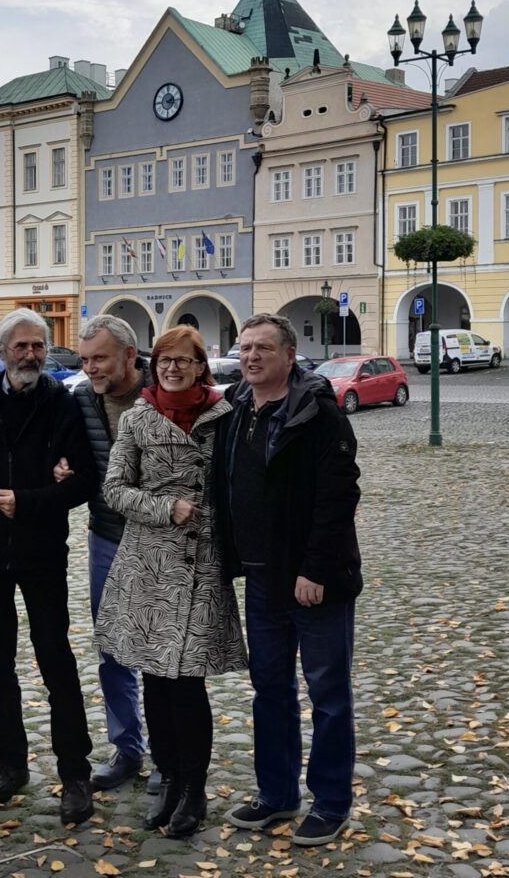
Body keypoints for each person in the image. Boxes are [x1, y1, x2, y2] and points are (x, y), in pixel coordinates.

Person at [214, 313, 362, 847]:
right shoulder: (233, 407)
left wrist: (315, 569)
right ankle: (277, 795)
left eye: (263, 349)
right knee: (269, 691)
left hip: (314, 581)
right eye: (245, 347)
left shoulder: (316, 412)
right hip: (261, 577)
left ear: (288, 356)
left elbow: (338, 495)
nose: (251, 356)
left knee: (327, 694)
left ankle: (331, 802)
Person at [0, 308, 98, 825]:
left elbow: (83, 483)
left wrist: (31, 501)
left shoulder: (63, 404)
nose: (31, 355)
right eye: (21, 347)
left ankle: (75, 772)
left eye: (39, 346)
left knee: (55, 657)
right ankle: (10, 763)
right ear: (1, 352)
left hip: (41, 551)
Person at [95, 325, 246, 838]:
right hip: (148, 564)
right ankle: (171, 780)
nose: (173, 369)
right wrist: (165, 508)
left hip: (203, 562)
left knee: (188, 683)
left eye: (183, 361)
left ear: (202, 366)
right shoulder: (139, 418)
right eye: (164, 361)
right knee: (156, 681)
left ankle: (194, 791)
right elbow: (114, 489)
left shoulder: (224, 416)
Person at [69, 315, 157, 793]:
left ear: (129, 355)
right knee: (113, 650)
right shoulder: (82, 398)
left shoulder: (162, 393)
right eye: (84, 360)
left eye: (98, 358)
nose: (90, 369)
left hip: (162, 541)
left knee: (166, 651)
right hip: (106, 536)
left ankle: (169, 756)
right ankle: (127, 748)